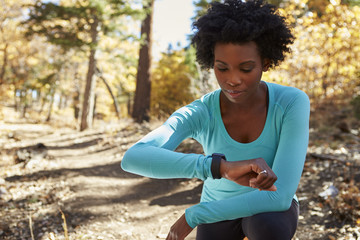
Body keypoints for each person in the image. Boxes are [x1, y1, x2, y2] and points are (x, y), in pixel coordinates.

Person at [121, 0, 310, 239]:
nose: (232, 80)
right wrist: (217, 167)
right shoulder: (201, 111)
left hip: (268, 209)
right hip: (217, 210)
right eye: (222, 68)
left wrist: (194, 216)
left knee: (268, 227)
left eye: (246, 68)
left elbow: (279, 195)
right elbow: (133, 158)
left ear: (266, 62)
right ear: (211, 63)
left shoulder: (291, 102)